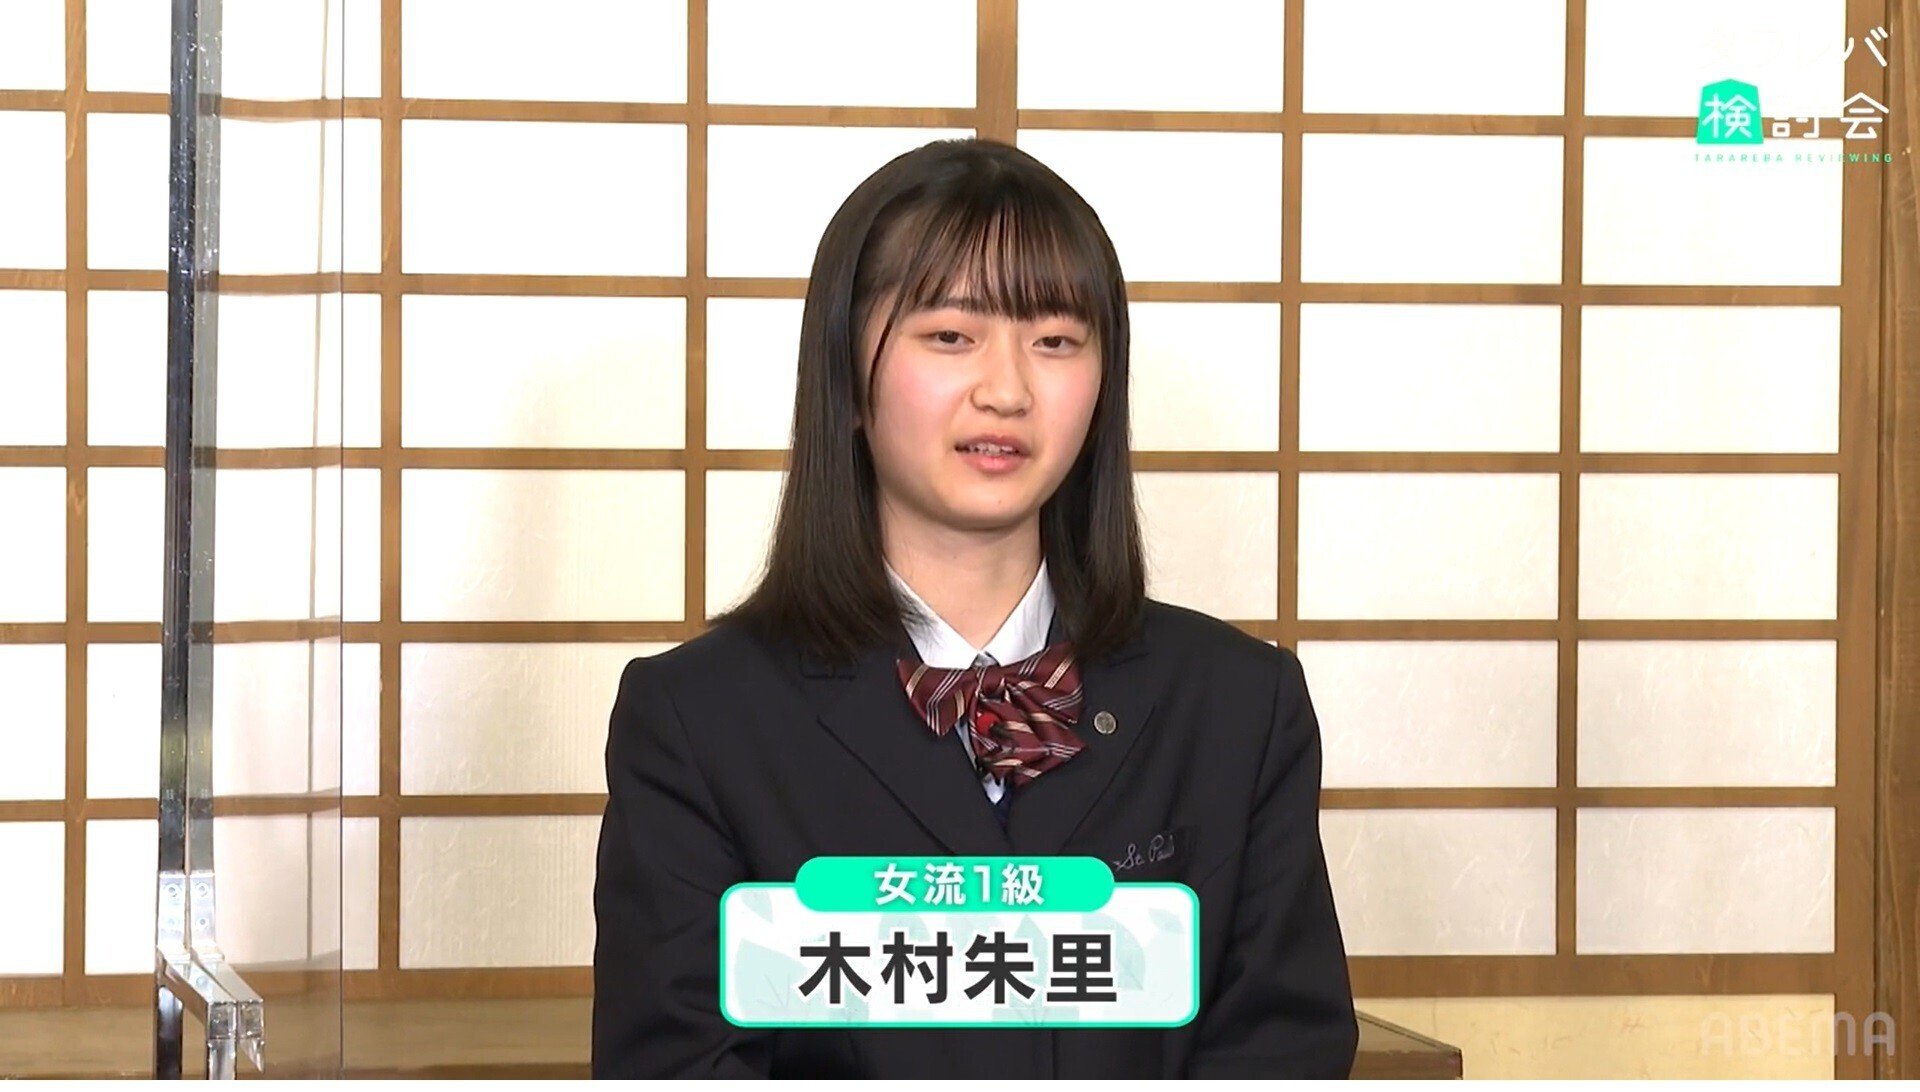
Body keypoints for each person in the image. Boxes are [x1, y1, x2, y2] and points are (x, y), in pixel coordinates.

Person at [591, 136, 1357, 1078]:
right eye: (951, 336)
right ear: (846, 376)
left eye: (1056, 341)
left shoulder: (1241, 705)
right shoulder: (696, 721)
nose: (1007, 390)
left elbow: (1285, 1051)